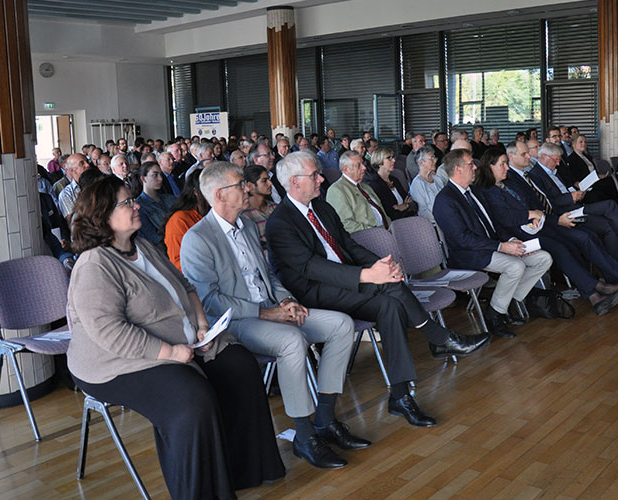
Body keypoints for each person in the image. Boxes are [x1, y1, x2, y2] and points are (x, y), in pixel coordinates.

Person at [66, 176, 284, 499]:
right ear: (102, 216)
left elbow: (187, 287)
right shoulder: (95, 264)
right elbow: (110, 333)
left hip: (183, 342)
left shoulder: (144, 247)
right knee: (191, 400)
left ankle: (246, 469)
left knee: (240, 365)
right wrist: (169, 352)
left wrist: (200, 326)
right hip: (117, 363)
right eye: (127, 203)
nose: (136, 204)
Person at [265, 152, 489, 429]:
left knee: (391, 304)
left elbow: (348, 245)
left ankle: (401, 395)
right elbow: (311, 268)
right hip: (315, 292)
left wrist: (379, 264)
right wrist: (369, 274)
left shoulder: (322, 208)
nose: (322, 178)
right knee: (390, 287)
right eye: (315, 175)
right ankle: (437, 337)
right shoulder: (281, 222)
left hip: (348, 282)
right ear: (295, 182)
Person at [181, 162, 368, 470]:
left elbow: (268, 274)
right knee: (293, 341)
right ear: (219, 195)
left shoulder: (248, 226)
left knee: (341, 324)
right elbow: (210, 302)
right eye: (240, 185)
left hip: (270, 308)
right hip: (237, 323)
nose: (248, 188)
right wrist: (266, 312)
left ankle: (324, 418)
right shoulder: (198, 239)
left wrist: (286, 299)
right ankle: (304, 436)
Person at [479, 147, 618, 316]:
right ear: (490, 166)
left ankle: (599, 294)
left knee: (580, 238)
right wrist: (534, 214)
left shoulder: (506, 183)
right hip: (522, 234)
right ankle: (608, 284)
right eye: (502, 164)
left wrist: (538, 215)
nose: (506, 167)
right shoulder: (489, 190)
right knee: (566, 245)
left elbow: (533, 205)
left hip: (538, 225)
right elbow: (507, 217)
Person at [433, 150, 553, 337]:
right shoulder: (445, 200)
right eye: (470, 164)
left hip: (492, 246)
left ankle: (503, 304)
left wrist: (510, 241)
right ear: (458, 169)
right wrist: (501, 247)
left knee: (543, 258)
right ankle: (495, 315)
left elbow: (494, 224)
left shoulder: (474, 193)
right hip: (469, 254)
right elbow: (462, 239)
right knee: (515, 266)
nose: (475, 167)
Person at [529, 142, 618, 259]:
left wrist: (575, 191)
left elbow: (563, 189)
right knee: (609, 205)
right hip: (565, 212)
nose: (558, 163)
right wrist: (570, 197)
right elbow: (548, 202)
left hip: (574, 205)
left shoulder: (553, 172)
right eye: (556, 160)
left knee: (610, 224)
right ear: (545, 157)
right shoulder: (536, 175)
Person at [326, 151, 391, 233]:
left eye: (363, 164)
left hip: (385, 232)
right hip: (367, 236)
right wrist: (375, 232)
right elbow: (346, 224)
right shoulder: (337, 190)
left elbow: (383, 212)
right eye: (358, 165)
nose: (364, 168)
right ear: (346, 169)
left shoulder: (366, 187)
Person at [163, 171, 210, 272]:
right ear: (196, 192)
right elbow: (178, 262)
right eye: (209, 188)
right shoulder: (179, 220)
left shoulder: (213, 213)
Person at [137, 161, 177, 249]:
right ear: (144, 179)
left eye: (160, 175)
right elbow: (153, 237)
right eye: (155, 175)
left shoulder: (170, 199)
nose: (160, 179)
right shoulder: (139, 206)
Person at [240, 165, 276, 250]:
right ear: (250, 186)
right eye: (264, 181)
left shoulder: (274, 207)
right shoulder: (244, 215)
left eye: (269, 179)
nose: (270, 183)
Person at [409, 146, 447, 224]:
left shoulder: (437, 179)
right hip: (432, 224)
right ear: (421, 162)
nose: (435, 161)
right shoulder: (417, 184)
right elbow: (423, 212)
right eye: (431, 158)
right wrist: (442, 219)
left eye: (435, 158)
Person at [58, 154, 91, 219]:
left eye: (87, 161)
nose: (87, 165)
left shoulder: (98, 184)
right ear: (72, 170)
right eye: (82, 163)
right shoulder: (66, 194)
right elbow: (74, 223)